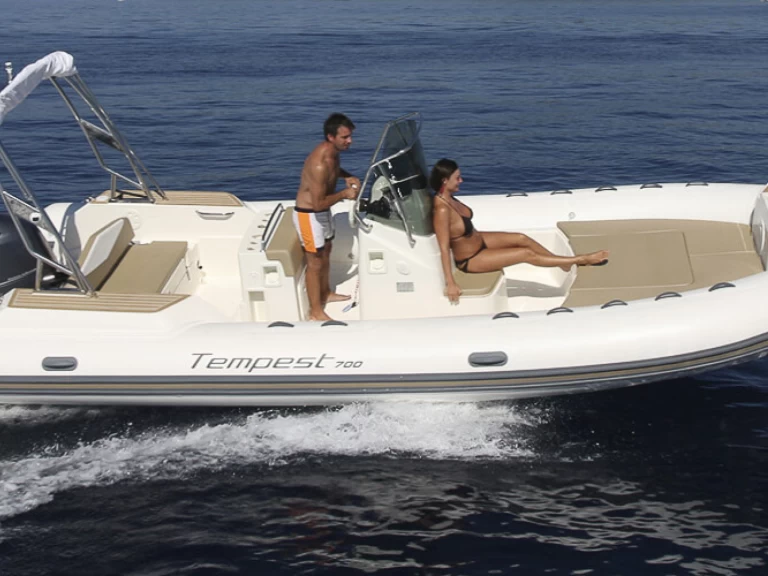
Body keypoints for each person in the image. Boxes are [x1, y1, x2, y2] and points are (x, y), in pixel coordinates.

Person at [431, 158, 609, 304]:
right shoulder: (442, 209)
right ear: (445, 181)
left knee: (521, 238)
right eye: (457, 178)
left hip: (480, 242)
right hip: (471, 259)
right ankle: (580, 259)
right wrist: (450, 283)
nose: (461, 181)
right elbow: (444, 247)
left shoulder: (451, 198)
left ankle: (561, 263)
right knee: (525, 254)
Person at [294, 113, 361, 321]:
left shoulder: (333, 153)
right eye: (344, 138)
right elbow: (317, 203)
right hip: (309, 215)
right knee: (314, 263)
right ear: (331, 137)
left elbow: (334, 170)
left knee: (326, 253)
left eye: (350, 136)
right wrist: (344, 194)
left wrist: (346, 175)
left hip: (323, 214)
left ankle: (326, 293)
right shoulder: (319, 163)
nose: (349, 141)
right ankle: (315, 311)